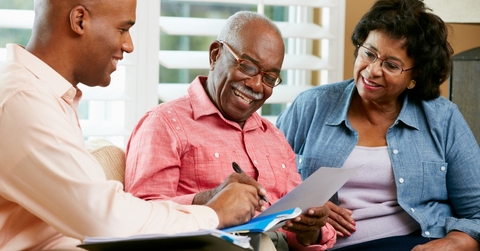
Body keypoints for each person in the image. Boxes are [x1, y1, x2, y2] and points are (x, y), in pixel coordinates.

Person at [0, 1, 268, 250]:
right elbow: (104, 219)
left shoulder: (44, 95)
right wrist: (215, 213)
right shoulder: (22, 101)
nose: (129, 45)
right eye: (123, 29)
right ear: (80, 20)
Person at [276, 0, 480, 250]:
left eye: (391, 65)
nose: (372, 70)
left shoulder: (442, 118)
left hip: (420, 241)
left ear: (414, 76)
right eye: (368, 53)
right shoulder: (311, 106)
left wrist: (455, 242)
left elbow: (477, 211)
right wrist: (303, 205)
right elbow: (266, 183)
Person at [124, 11, 336, 251]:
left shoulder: (274, 137)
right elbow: (141, 215)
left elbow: (300, 234)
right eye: (247, 67)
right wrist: (209, 199)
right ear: (215, 55)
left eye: (269, 78)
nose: (256, 85)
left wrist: (311, 229)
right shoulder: (164, 124)